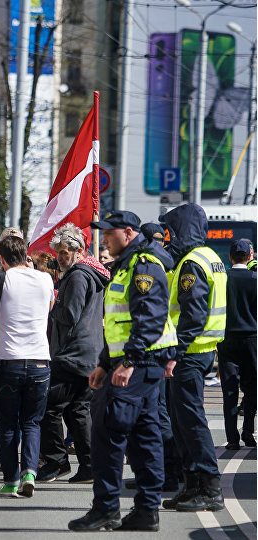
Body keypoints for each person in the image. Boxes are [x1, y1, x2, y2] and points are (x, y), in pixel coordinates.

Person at [69, 211, 175, 532]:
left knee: (107, 432)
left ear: (128, 233)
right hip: (133, 362)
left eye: (109, 234)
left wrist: (127, 362)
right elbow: (118, 324)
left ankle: (106, 509)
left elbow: (149, 319)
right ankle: (145, 510)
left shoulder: (142, 266)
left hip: (139, 363)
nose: (104, 240)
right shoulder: (127, 266)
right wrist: (105, 363)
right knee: (144, 436)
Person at [159, 203, 227, 513]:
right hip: (199, 351)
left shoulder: (191, 263)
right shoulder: (211, 257)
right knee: (182, 421)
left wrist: (174, 353)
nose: (167, 238)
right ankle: (192, 486)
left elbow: (193, 315)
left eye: (171, 231)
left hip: (189, 353)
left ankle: (209, 489)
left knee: (191, 422)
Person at [0, 235, 54, 497]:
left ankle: (10, 479)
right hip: (41, 360)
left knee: (8, 424)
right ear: (25, 255)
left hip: (10, 360)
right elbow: (50, 306)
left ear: (2, 258)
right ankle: (30, 471)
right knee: (32, 421)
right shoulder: (45, 278)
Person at [37, 223, 108, 484]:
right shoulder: (92, 272)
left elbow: (69, 315)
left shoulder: (79, 276)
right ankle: (89, 466)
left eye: (65, 252)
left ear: (78, 252)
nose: (60, 257)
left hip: (74, 353)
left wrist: (52, 305)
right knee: (77, 410)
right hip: (88, 351)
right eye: (58, 252)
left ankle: (56, 462)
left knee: (48, 407)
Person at [218, 239, 256, 450]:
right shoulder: (255, 278)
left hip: (227, 339)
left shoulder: (223, 279)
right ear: (250, 256)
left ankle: (232, 438)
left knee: (229, 391)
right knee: (252, 389)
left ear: (230, 257)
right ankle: (248, 432)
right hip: (252, 340)